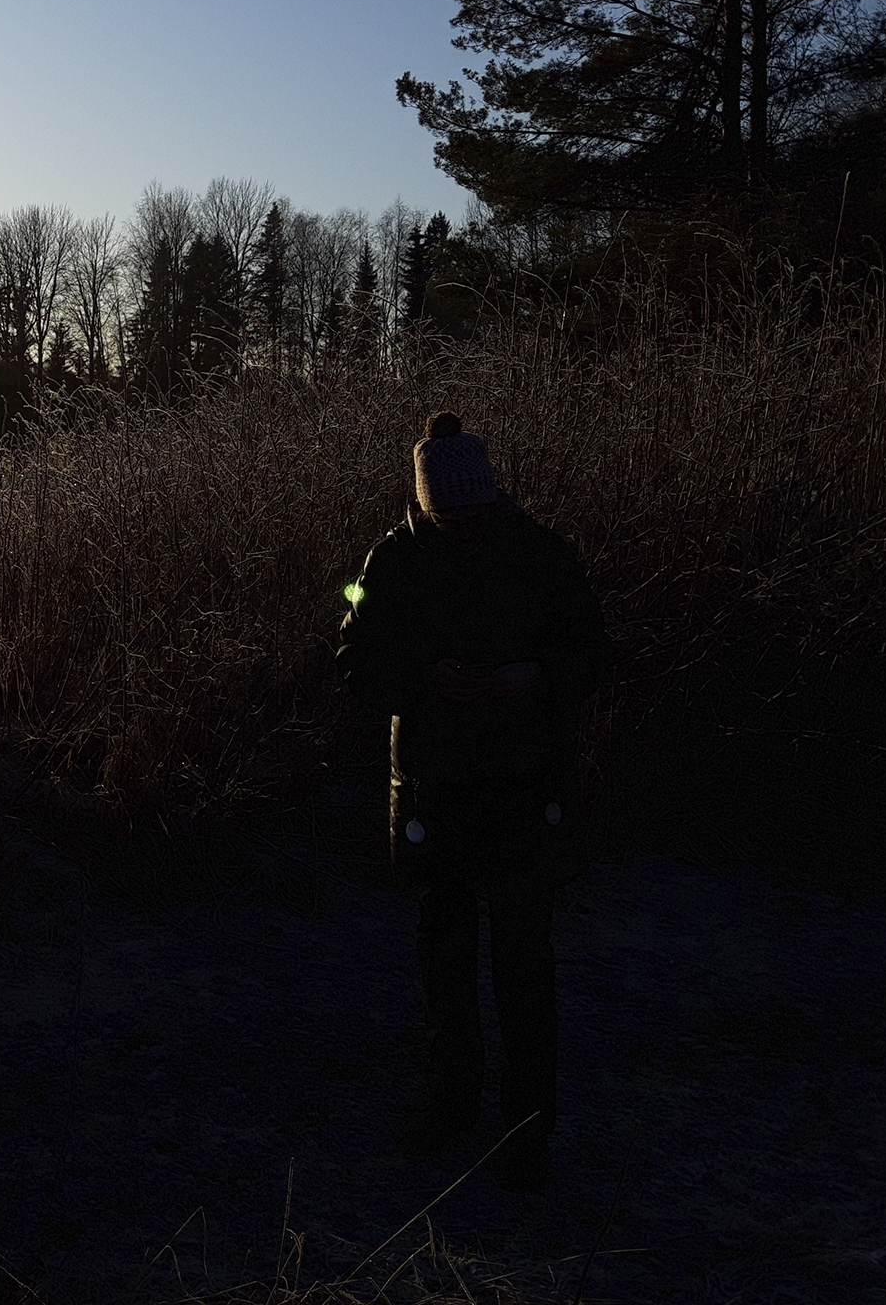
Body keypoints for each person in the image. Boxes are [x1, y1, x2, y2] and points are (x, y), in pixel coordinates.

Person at [335, 413, 612, 1193]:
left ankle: (528, 1126)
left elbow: (595, 648)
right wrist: (424, 679)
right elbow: (350, 651)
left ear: (493, 496)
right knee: (445, 962)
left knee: (525, 963)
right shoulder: (384, 564)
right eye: (446, 516)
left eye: (473, 513)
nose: (461, 528)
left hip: (524, 789)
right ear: (423, 505)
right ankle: (450, 1104)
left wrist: (536, 678)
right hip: (437, 790)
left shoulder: (544, 556)